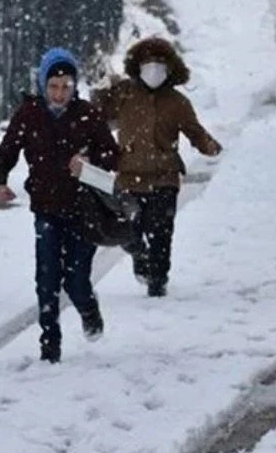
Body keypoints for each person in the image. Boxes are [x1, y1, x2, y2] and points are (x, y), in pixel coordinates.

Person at [0, 47, 120, 363]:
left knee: (75, 280)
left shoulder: (87, 114)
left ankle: (88, 308)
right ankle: (50, 345)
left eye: (66, 87)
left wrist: (89, 161)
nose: (60, 94)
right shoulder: (29, 115)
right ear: (43, 85)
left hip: (82, 210)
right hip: (45, 209)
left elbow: (114, 155)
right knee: (46, 279)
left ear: (75, 86)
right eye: (54, 86)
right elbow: (6, 152)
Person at [93, 36, 222, 298]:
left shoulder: (177, 102)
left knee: (162, 232)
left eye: (159, 64)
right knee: (132, 229)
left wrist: (208, 145)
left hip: (165, 178)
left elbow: (193, 131)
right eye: (148, 63)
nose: (153, 69)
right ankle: (140, 257)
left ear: (170, 68)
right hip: (129, 177)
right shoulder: (125, 93)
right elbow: (98, 115)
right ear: (137, 66)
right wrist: (101, 89)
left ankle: (158, 281)